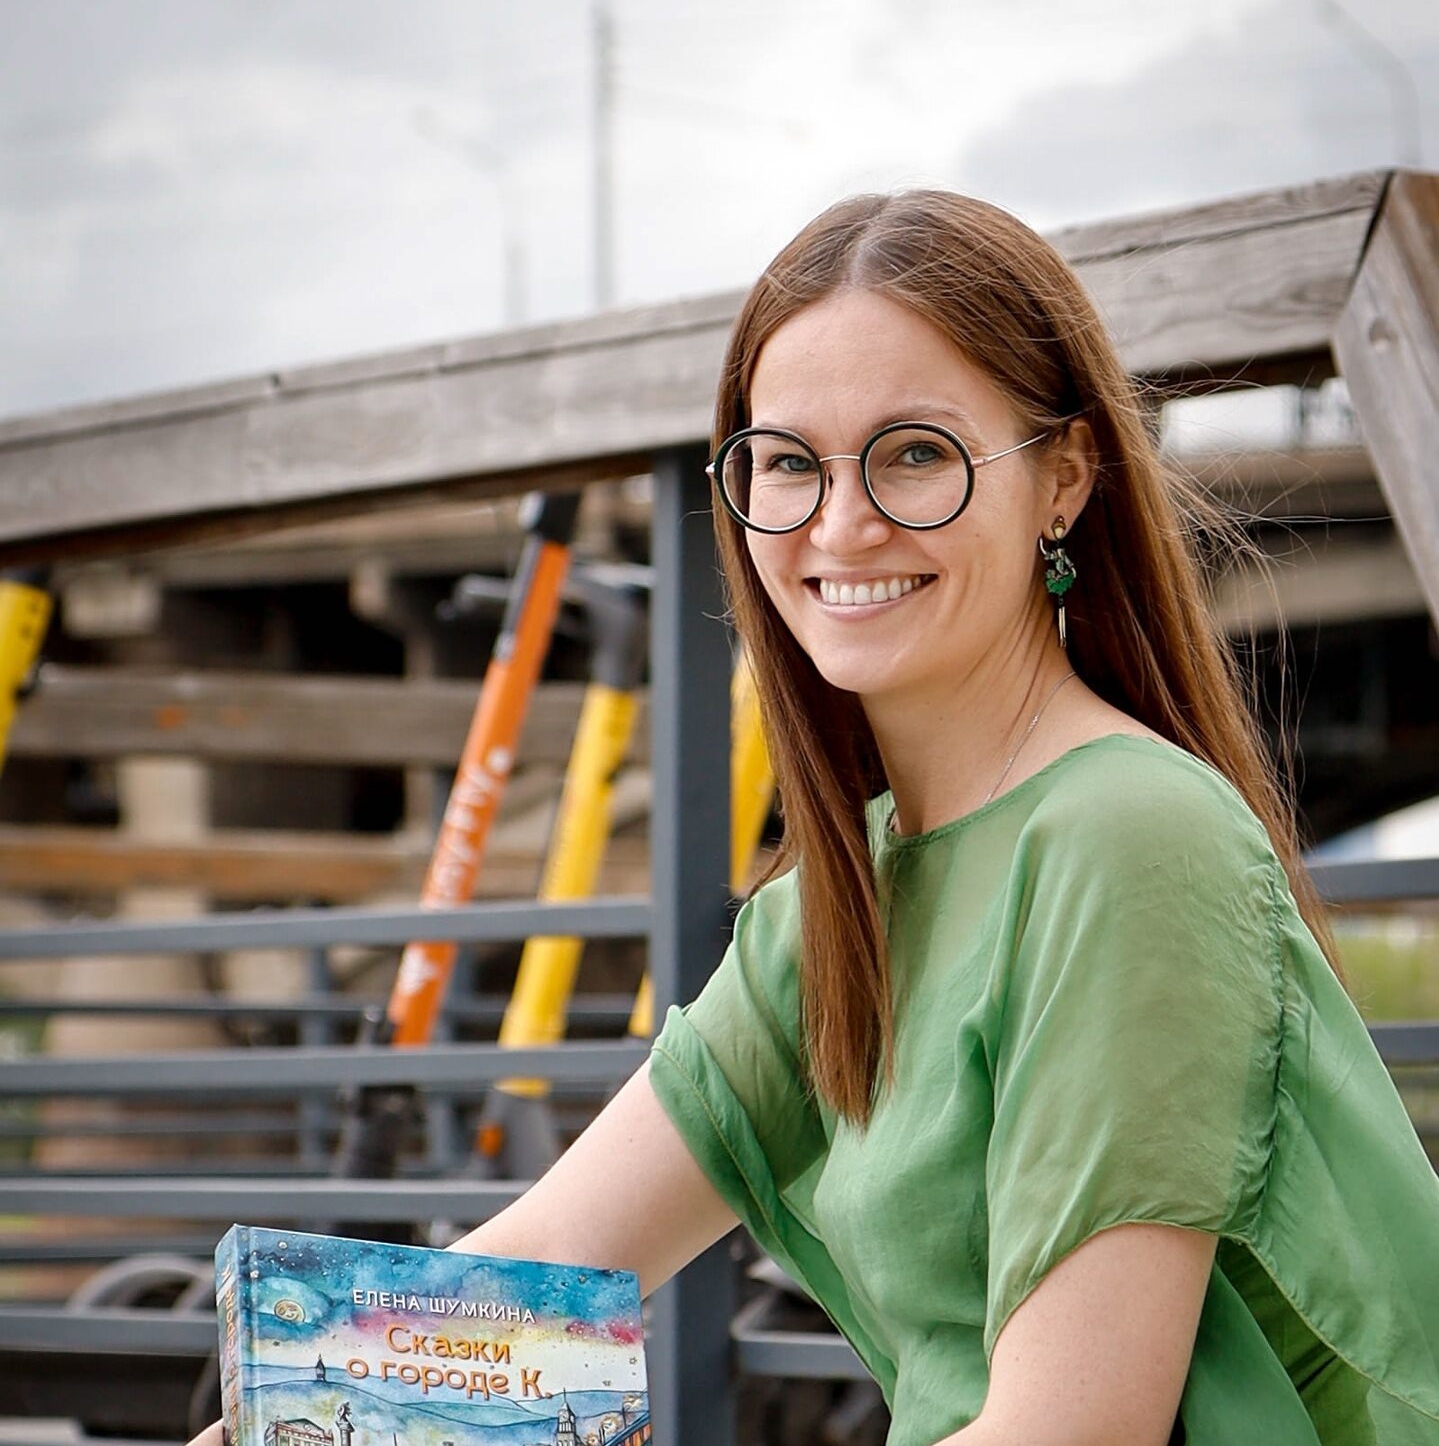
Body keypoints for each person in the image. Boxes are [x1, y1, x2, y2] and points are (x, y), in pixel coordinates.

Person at [189, 191, 1439, 1446]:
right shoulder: (841, 903)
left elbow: (1072, 1429)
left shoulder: (1128, 836)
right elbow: (550, 1265)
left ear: (1062, 477)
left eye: (913, 453)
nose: (840, 524)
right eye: (788, 462)